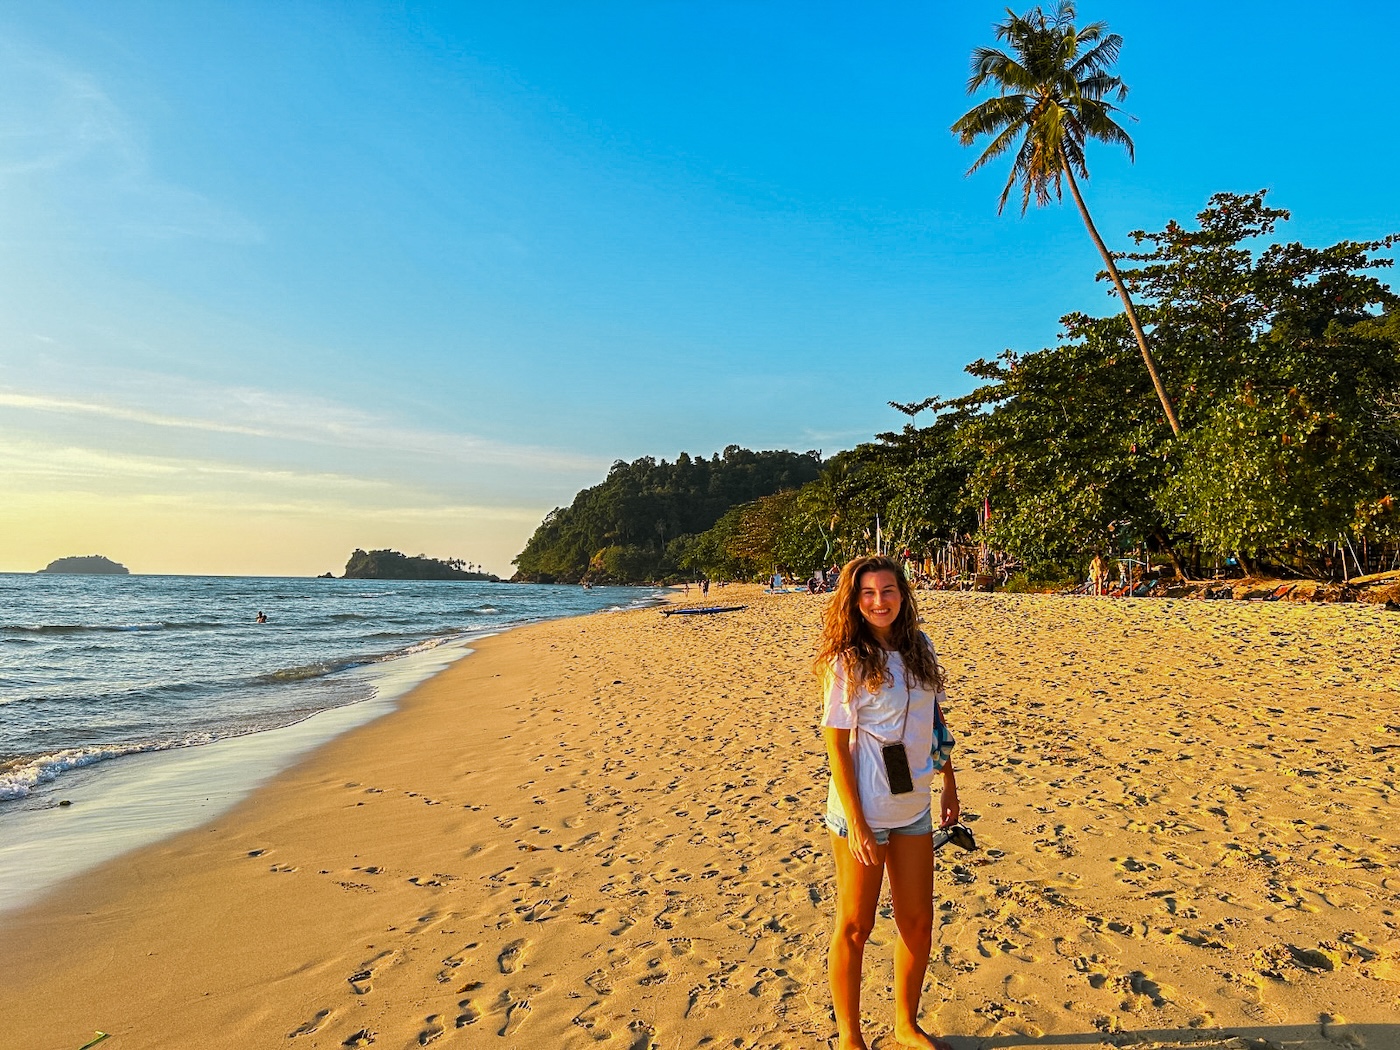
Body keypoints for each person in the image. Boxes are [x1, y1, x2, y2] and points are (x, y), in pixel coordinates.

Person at [815, 555, 959, 1050]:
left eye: (889, 590)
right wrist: (854, 822)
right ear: (855, 602)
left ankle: (905, 1024)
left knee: (918, 924)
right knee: (856, 925)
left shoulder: (920, 647)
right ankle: (851, 1037)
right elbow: (836, 743)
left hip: (914, 802)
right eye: (869, 593)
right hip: (864, 809)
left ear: (903, 594)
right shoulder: (847, 660)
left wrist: (949, 779)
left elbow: (931, 721)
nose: (880, 601)